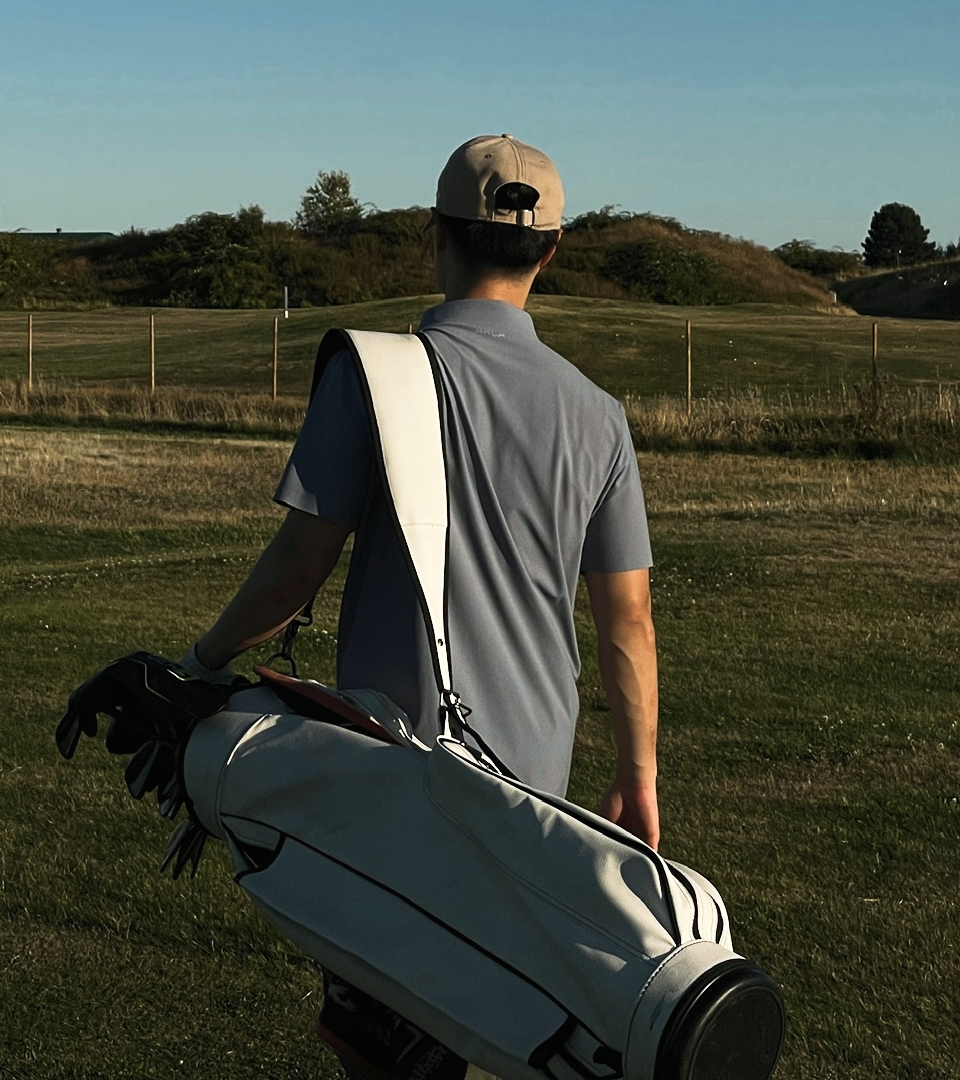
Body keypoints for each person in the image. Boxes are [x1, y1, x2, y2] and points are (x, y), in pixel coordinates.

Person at [182, 134, 659, 1080]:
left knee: (392, 1035)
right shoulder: (599, 414)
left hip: (394, 759)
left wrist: (203, 661)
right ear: (551, 253)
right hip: (534, 769)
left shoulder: (376, 371)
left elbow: (295, 571)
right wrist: (638, 772)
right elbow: (628, 623)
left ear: (434, 235)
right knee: (486, 1007)